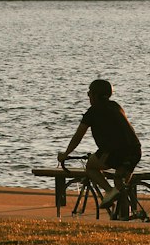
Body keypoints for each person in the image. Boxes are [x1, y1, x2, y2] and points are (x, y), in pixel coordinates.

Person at [58, 78, 142, 210]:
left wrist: (66, 154)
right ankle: (125, 215)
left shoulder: (93, 111)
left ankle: (109, 191)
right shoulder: (116, 106)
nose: (88, 97)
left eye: (89, 93)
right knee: (120, 183)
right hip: (135, 150)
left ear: (95, 95)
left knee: (91, 167)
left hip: (113, 152)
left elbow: (78, 136)